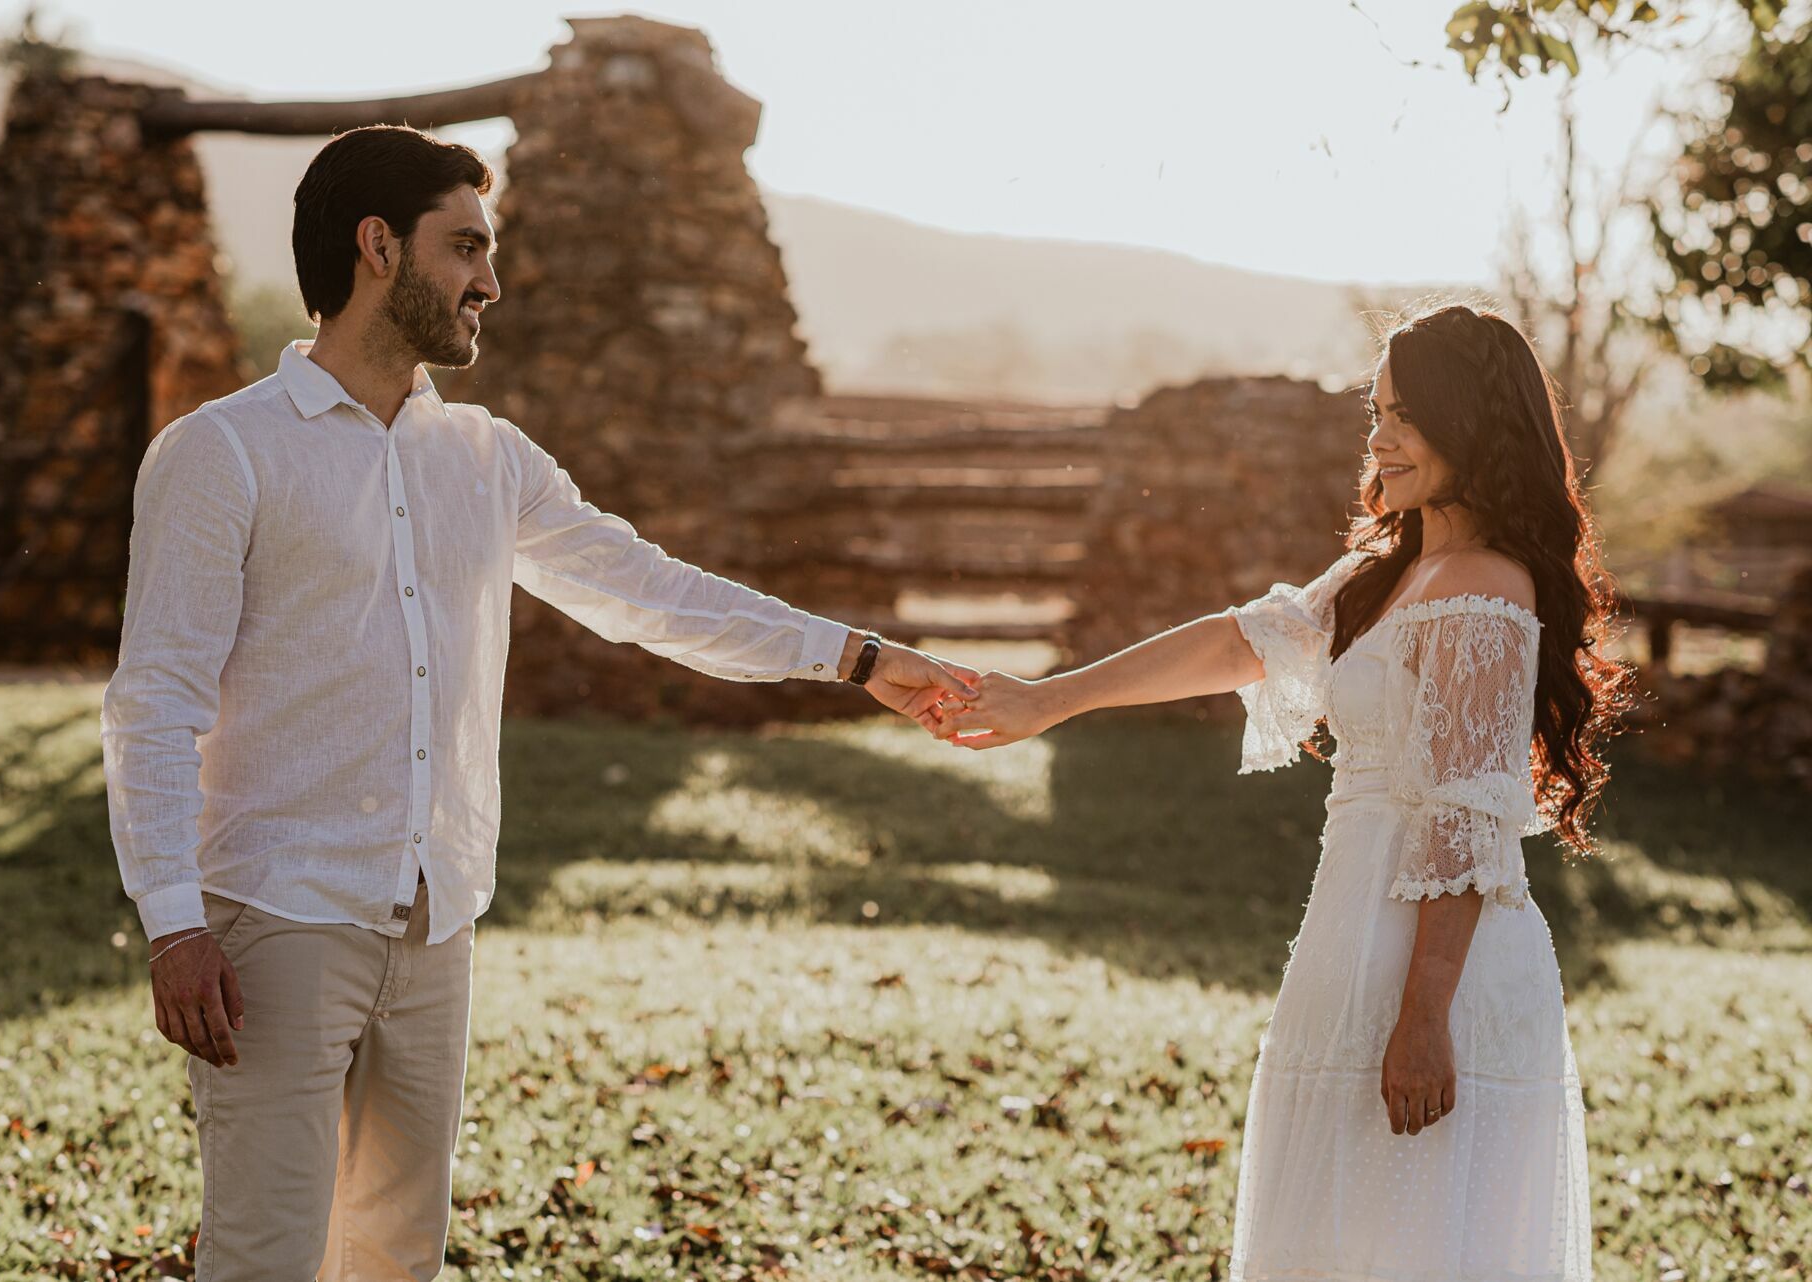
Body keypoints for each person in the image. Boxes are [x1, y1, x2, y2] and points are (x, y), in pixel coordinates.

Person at [100, 124, 972, 1281]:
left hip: (436, 918)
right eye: (466, 247)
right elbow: (154, 700)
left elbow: (650, 593)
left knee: (395, 1256)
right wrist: (173, 921)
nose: (489, 283)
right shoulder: (223, 454)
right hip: (279, 917)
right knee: (265, 1257)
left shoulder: (488, 458)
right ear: (376, 247)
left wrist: (858, 657)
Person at [932, 303, 1632, 1280]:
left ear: (1475, 422)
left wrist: (1425, 1014)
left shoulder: (1486, 590)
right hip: (1348, 936)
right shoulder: (1382, 574)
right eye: (1377, 411)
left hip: (1437, 967)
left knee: (1420, 1241)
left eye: (1408, 415)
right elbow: (1236, 642)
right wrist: (1052, 700)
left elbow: (1464, 816)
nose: (1381, 437)